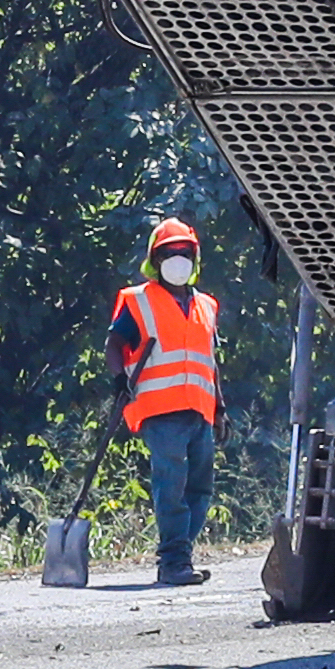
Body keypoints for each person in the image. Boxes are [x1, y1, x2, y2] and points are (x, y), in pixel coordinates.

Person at [108, 216, 227, 587]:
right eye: (169, 253)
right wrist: (118, 381)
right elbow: (114, 344)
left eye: (184, 252)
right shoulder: (138, 300)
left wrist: (220, 407)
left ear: (194, 258)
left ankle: (180, 556)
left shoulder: (207, 305)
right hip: (160, 411)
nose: (178, 258)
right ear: (154, 261)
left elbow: (210, 360)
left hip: (200, 409)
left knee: (200, 487)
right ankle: (173, 560)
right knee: (171, 484)